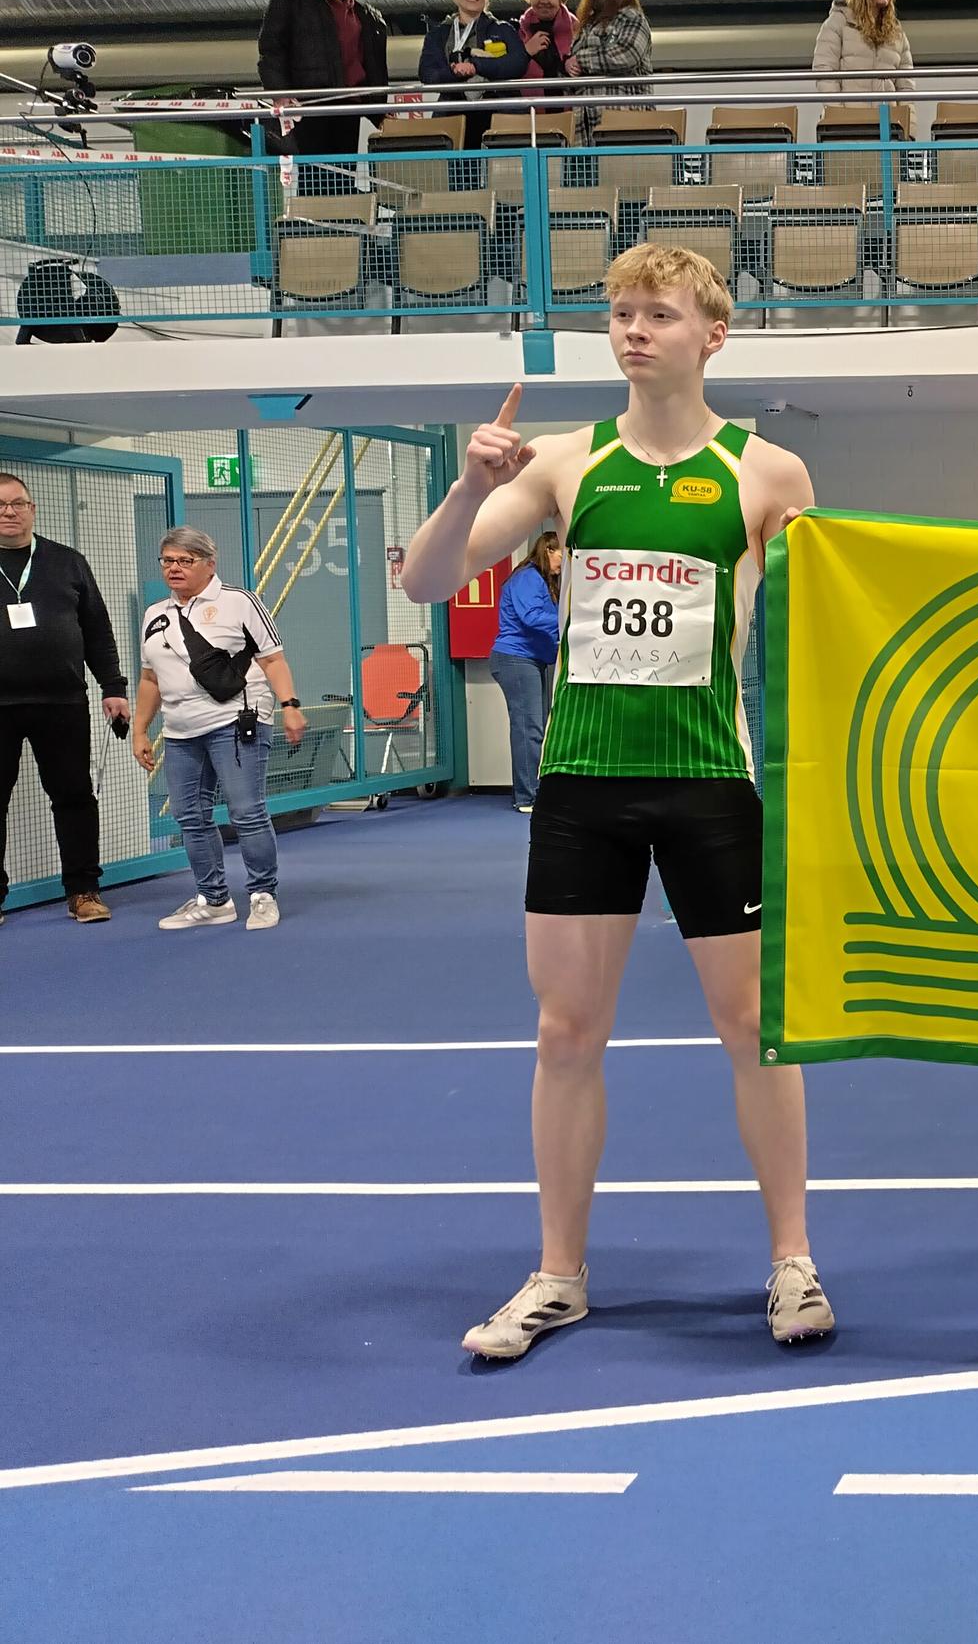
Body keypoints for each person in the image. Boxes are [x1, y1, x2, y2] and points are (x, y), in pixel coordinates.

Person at [402, 243, 831, 1359]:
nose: (634, 330)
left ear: (713, 334)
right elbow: (427, 580)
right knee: (564, 1031)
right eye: (622, 314)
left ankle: (792, 1261)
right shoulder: (563, 462)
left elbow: (823, 622)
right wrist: (469, 485)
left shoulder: (768, 474)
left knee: (756, 1029)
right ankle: (559, 1273)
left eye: (658, 314)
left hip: (711, 784)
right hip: (583, 785)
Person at [131, 527, 307, 933]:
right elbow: (149, 679)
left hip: (237, 720)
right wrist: (140, 730)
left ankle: (262, 895)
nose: (174, 568)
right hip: (180, 730)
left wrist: (290, 706)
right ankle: (214, 900)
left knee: (246, 811)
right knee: (189, 815)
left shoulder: (239, 602)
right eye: (167, 560)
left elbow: (273, 660)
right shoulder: (154, 614)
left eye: (185, 560)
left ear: (210, 564)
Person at [0, 471, 128, 927]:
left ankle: (83, 891)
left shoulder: (68, 562)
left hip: (63, 703)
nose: (9, 512)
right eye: (0, 505)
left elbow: (97, 629)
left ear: (32, 509)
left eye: (18, 503)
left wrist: (113, 687)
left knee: (74, 796)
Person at [255, 0, 390, 193]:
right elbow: (271, 49)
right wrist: (280, 95)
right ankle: (315, 220)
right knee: (315, 180)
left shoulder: (363, 13)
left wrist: (380, 107)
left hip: (349, 106)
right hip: (309, 105)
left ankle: (343, 218)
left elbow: (372, 63)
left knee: (343, 179)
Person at [417, 0, 525, 159]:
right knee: (456, 174)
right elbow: (427, 73)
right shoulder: (437, 35)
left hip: (499, 111)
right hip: (453, 113)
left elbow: (518, 64)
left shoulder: (503, 29)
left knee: (505, 171)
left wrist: (477, 66)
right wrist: (454, 72)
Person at [489, 531, 562, 815]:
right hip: (516, 659)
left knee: (535, 727)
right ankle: (527, 796)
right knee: (527, 728)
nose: (563, 561)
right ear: (548, 551)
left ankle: (535, 791)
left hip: (532, 660)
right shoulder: (528, 577)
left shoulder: (544, 581)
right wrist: (568, 619)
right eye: (560, 554)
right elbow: (531, 617)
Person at [812, 0, 916, 132]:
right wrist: (838, 117)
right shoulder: (838, 23)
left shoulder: (896, 32)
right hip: (848, 126)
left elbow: (906, 86)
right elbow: (825, 73)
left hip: (889, 127)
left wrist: (909, 129)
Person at [568, 0, 653, 135]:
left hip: (627, 120)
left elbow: (626, 55)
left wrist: (580, 60)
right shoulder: (585, 24)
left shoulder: (632, 17)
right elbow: (572, 65)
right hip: (585, 124)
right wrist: (568, 65)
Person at [513, 0, 577, 103]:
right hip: (531, 110)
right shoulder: (517, 32)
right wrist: (526, 52)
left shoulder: (578, 29)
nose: (543, 0)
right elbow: (508, 71)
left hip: (573, 110)